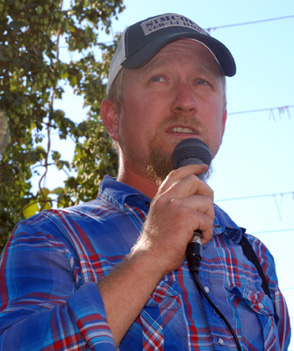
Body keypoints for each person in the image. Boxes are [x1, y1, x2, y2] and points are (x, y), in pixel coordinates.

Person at [0, 13, 291, 351]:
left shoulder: (255, 257)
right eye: (159, 78)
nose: (186, 101)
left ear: (223, 121)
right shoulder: (49, 237)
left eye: (202, 82)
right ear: (113, 118)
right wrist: (149, 256)